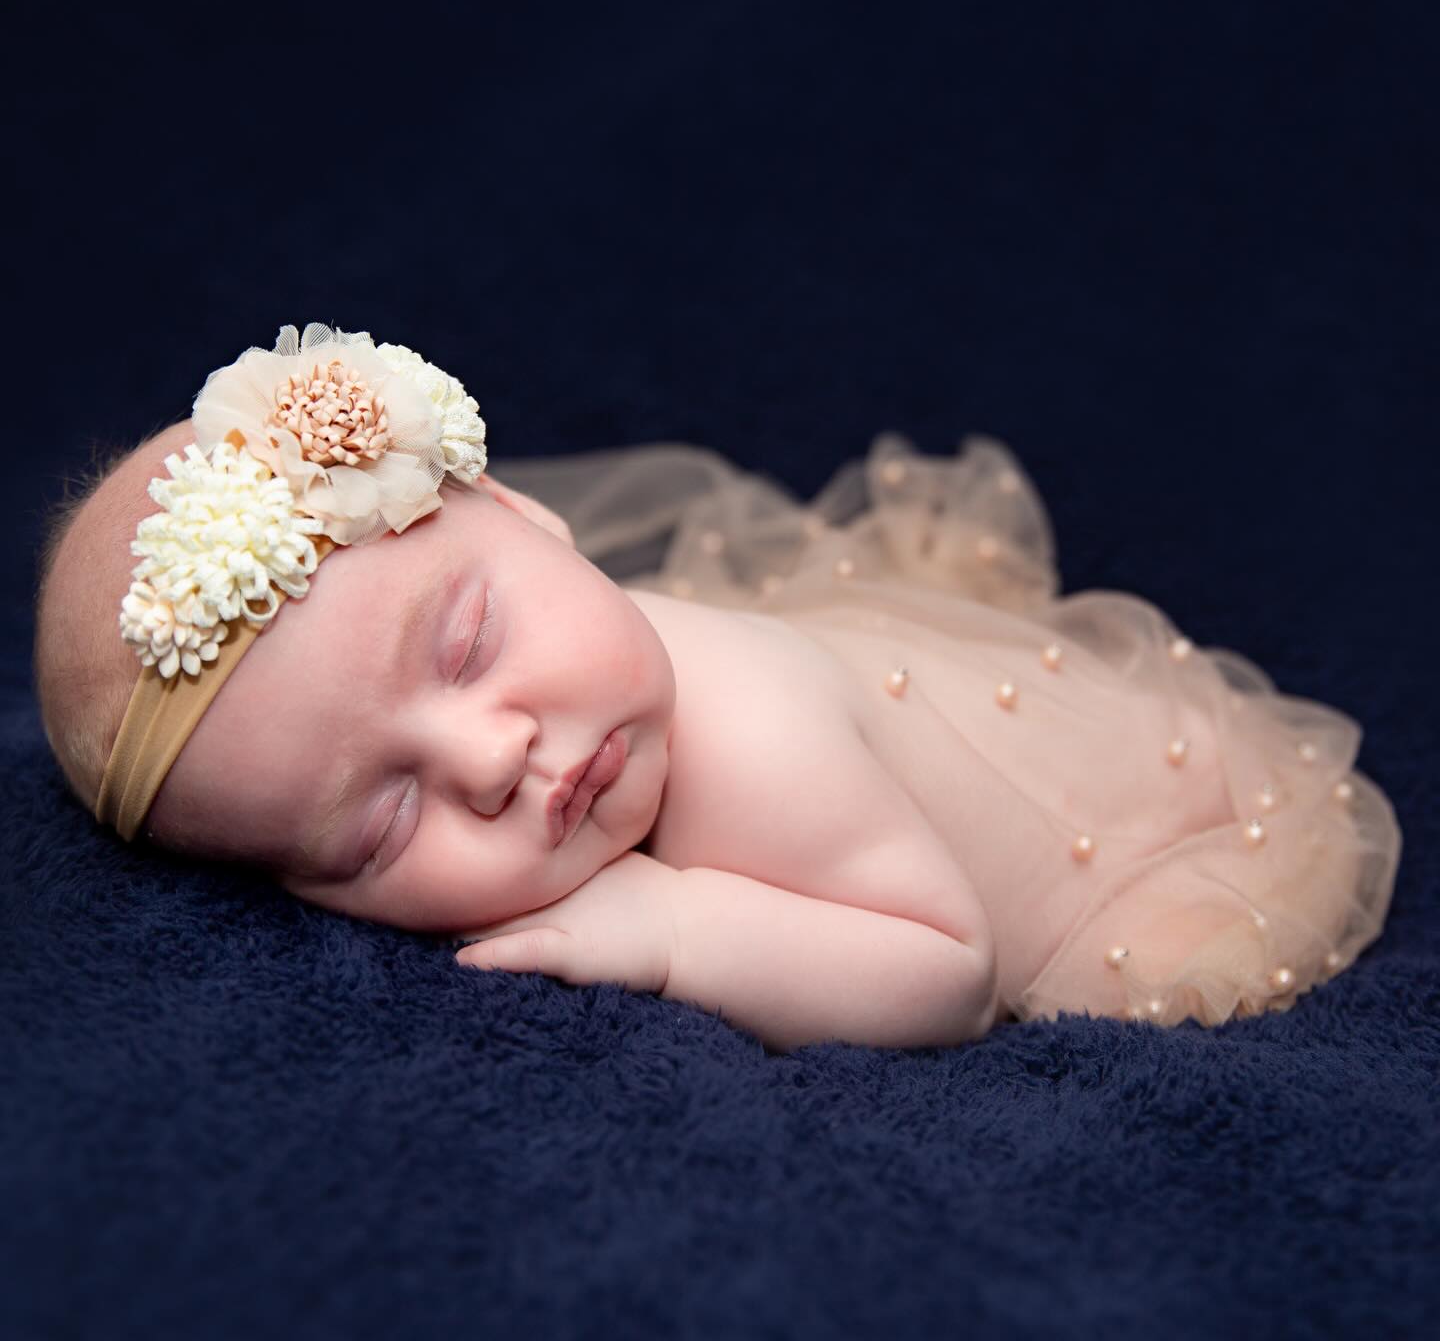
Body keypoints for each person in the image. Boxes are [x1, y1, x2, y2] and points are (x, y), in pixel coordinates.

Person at [32, 322, 1403, 1054]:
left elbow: (945, 969)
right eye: (384, 822)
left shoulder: (750, 733)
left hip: (1136, 833)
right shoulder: (572, 674)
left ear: (523, 513)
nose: (490, 757)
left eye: (461, 647)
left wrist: (681, 929)